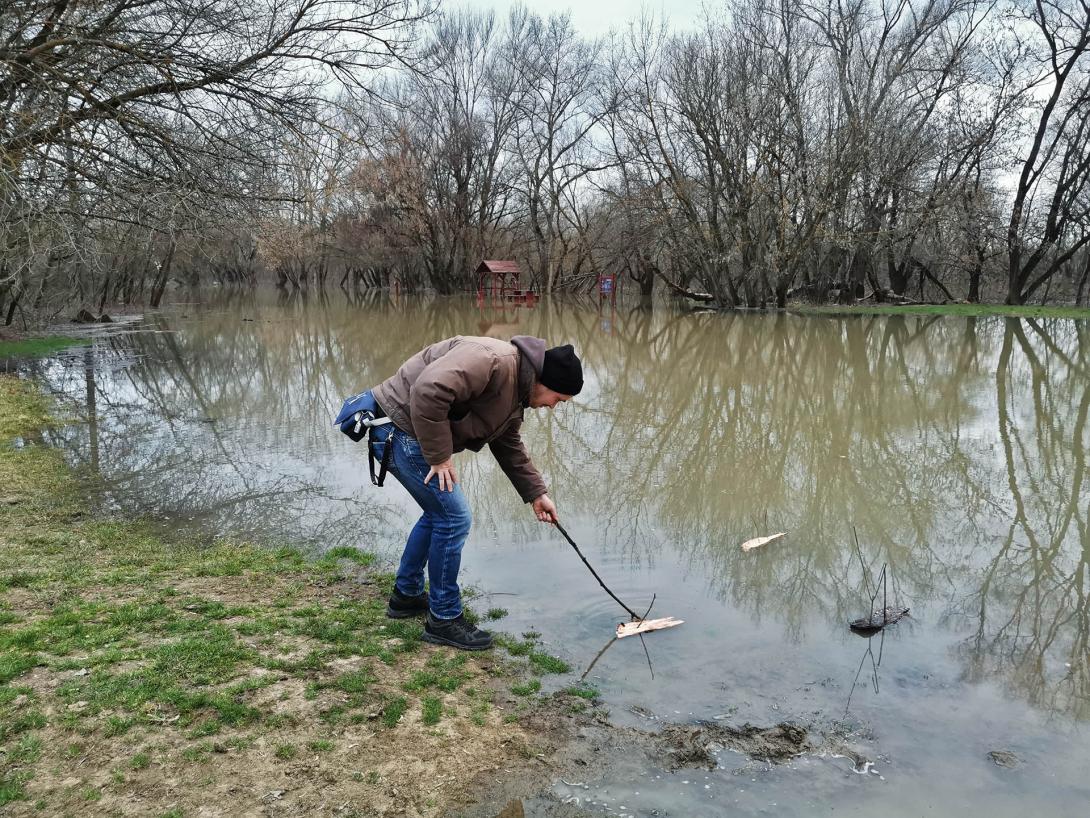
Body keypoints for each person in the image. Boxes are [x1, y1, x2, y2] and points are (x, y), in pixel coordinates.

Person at [365, 335, 583, 650]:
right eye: (558, 399)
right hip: (398, 428)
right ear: (544, 381)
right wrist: (440, 458)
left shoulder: (515, 389)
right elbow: (429, 391)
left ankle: (407, 596)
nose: (552, 407)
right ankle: (443, 619)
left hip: (410, 430)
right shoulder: (493, 361)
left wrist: (537, 493)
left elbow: (508, 445)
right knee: (454, 517)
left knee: (439, 513)